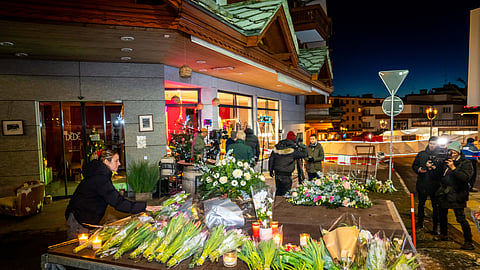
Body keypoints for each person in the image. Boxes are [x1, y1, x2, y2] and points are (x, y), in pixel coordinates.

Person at [65, 149, 148, 240]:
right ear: (106, 162)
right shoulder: (100, 177)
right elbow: (117, 202)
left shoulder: (100, 174)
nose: (119, 164)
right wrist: (144, 207)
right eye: (116, 161)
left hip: (82, 218)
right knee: (78, 251)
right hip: (80, 221)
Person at [434, 141, 474, 250]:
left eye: (453, 152)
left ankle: (469, 241)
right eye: (449, 151)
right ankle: (444, 234)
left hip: (457, 194)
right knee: (442, 215)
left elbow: (465, 178)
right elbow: (439, 175)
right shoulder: (447, 161)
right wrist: (433, 166)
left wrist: (453, 168)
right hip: (445, 193)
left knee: (460, 218)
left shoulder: (466, 163)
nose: (451, 154)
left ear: (458, 152)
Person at [411, 136, 441, 234]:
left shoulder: (440, 155)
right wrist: (420, 169)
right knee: (421, 205)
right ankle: (420, 223)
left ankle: (435, 227)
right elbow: (414, 165)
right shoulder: (421, 154)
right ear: (428, 143)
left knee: (435, 207)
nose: (432, 146)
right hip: (422, 184)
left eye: (434, 144)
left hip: (435, 185)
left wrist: (434, 168)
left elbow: (443, 170)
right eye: (431, 143)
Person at [269, 131, 307, 196]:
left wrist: (270, 170)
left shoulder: (278, 146)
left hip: (277, 173)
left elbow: (271, 159)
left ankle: (277, 203)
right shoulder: (292, 149)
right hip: (287, 174)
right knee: (286, 192)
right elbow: (304, 154)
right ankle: (283, 205)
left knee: (279, 190)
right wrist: (303, 148)